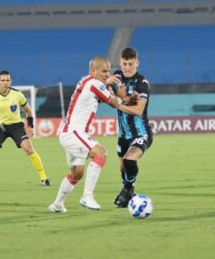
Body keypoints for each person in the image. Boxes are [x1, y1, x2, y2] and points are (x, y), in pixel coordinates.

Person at [48, 56, 137, 213]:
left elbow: (104, 97)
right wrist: (126, 100)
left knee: (76, 174)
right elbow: (113, 103)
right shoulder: (95, 83)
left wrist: (107, 85)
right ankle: (87, 196)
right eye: (103, 71)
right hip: (75, 132)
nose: (106, 74)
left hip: (70, 132)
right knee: (101, 154)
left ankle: (57, 204)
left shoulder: (88, 81)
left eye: (108, 71)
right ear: (93, 70)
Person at [0, 70, 51, 187]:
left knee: (29, 149)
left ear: (11, 81)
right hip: (0, 127)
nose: (5, 82)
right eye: (3, 80)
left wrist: (30, 126)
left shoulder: (18, 94)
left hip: (16, 126)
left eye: (7, 80)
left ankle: (44, 178)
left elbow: (28, 111)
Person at [111, 47, 153, 208]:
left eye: (130, 64)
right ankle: (128, 191)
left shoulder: (142, 83)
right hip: (123, 134)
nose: (127, 68)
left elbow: (138, 110)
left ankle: (127, 190)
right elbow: (107, 94)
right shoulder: (117, 77)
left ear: (137, 63)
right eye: (124, 64)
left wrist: (119, 101)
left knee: (129, 160)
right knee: (122, 167)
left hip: (141, 133)